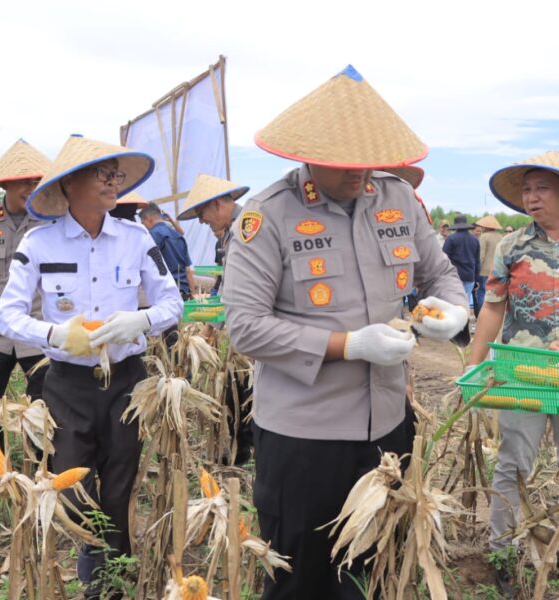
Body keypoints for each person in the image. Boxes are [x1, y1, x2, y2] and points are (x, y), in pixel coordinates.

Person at [222, 65, 469, 599]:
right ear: (308, 154)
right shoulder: (268, 216)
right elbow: (245, 326)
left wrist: (453, 309)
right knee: (299, 577)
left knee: (372, 572)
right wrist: (349, 345)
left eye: (368, 159)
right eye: (343, 162)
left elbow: (440, 273)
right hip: (304, 435)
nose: (359, 172)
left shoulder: (397, 199)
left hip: (387, 428)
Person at [0, 134, 183, 599]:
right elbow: (7, 313)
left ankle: (110, 582)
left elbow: (172, 302)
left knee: (120, 484)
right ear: (70, 183)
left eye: (115, 174)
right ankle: (93, 561)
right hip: (67, 384)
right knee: (72, 485)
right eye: (102, 173)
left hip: (126, 381)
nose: (112, 181)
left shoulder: (136, 239)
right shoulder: (39, 243)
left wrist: (140, 320)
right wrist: (54, 334)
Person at [468, 151, 559, 597]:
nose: (531, 197)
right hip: (522, 371)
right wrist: (473, 363)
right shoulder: (513, 246)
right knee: (512, 464)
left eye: (542, 188)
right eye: (526, 190)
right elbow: (492, 307)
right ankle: (502, 554)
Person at [178, 173, 253, 465]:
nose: (201, 221)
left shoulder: (250, 228)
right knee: (237, 384)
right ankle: (237, 449)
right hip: (242, 330)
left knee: (249, 388)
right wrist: (209, 328)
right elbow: (224, 285)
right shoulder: (229, 234)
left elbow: (235, 287)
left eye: (201, 213)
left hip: (259, 326)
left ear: (219, 204)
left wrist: (210, 327)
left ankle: (246, 448)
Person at [0, 140, 51, 412]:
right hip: (0, 333)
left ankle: (38, 444)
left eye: (36, 182)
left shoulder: (51, 224)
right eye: (25, 182)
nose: (32, 188)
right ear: (6, 184)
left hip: (37, 331)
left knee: (43, 408)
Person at [139, 201, 195, 299]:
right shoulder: (179, 236)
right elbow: (188, 270)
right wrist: (193, 293)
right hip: (184, 292)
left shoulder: (151, 237)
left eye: (143, 223)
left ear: (148, 219)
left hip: (166, 294)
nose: (144, 226)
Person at [443, 214, 480, 302]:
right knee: (465, 302)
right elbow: (477, 261)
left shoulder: (451, 239)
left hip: (454, 276)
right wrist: (476, 279)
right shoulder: (475, 240)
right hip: (470, 276)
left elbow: (444, 258)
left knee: (453, 302)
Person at [474, 215, 502, 310]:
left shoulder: (484, 236)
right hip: (497, 270)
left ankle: (481, 313)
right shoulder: (500, 236)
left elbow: (481, 256)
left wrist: (477, 270)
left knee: (482, 292)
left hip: (485, 271)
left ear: (486, 226)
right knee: (494, 294)